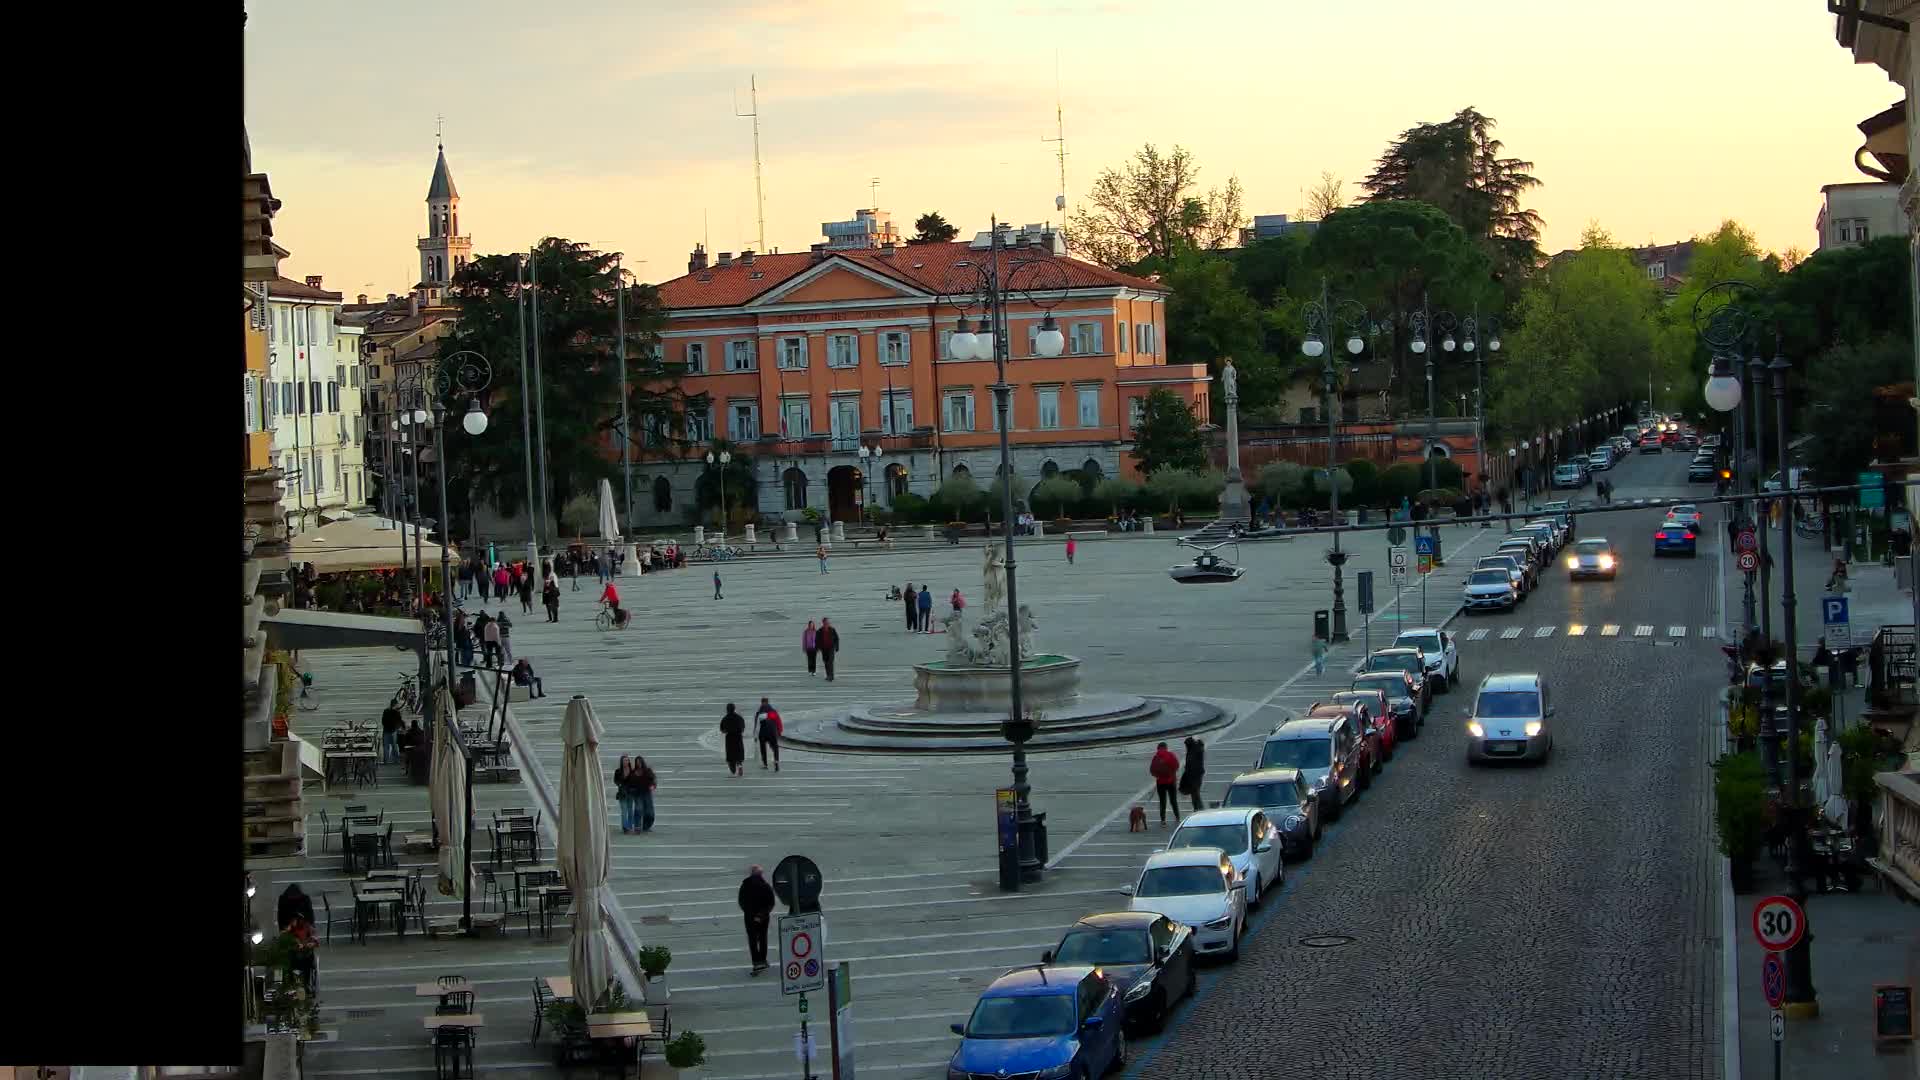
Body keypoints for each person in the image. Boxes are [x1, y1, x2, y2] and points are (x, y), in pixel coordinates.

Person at [738, 865, 777, 975]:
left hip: (749, 917)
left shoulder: (745, 885)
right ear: (761, 874)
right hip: (763, 917)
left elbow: (741, 901)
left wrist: (748, 912)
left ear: (751, 873)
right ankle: (762, 960)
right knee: (763, 938)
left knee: (752, 940)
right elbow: (771, 903)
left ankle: (756, 963)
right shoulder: (765, 886)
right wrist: (761, 915)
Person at [1149, 742, 1181, 827]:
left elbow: (1152, 770)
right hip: (1171, 781)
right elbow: (1177, 765)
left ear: (1158, 748)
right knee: (1173, 800)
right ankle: (1177, 817)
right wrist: (1172, 773)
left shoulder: (1156, 757)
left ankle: (1163, 820)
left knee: (1162, 801)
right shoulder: (1171, 755)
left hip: (1160, 782)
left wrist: (1157, 775)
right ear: (1166, 747)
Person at [1179, 736, 1206, 812]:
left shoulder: (1194, 751)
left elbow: (1191, 763)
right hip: (1195, 774)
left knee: (1195, 792)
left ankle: (1199, 808)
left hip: (1194, 775)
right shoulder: (1194, 749)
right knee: (1194, 792)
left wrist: (1188, 771)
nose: (1186, 747)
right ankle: (1197, 808)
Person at [630, 754, 657, 832]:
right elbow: (630, 783)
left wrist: (653, 786)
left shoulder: (648, 771)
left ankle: (646, 826)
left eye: (640, 762)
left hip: (647, 793)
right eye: (637, 762)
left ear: (642, 762)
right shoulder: (633, 772)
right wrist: (632, 790)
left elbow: (653, 780)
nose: (638, 763)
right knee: (638, 809)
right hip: (638, 794)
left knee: (649, 812)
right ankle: (637, 826)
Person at [755, 697, 782, 771]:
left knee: (763, 748)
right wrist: (779, 731)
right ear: (768, 702)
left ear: (761, 703)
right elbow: (778, 722)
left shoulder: (759, 712)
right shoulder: (773, 711)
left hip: (763, 732)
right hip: (772, 731)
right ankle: (776, 761)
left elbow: (757, 725)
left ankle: (765, 764)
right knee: (775, 747)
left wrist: (755, 736)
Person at [720, 704, 747, 776]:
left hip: (729, 738)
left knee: (730, 755)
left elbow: (722, 730)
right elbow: (743, 728)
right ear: (734, 709)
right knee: (739, 753)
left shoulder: (725, 718)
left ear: (727, 709)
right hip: (738, 737)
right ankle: (739, 765)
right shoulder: (739, 718)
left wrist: (727, 730)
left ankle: (733, 770)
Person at [614, 755, 638, 833]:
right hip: (622, 793)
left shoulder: (632, 771)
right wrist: (619, 784)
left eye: (627, 760)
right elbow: (615, 780)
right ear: (621, 762)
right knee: (624, 811)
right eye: (624, 760)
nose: (626, 762)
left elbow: (635, 781)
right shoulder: (618, 771)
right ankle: (625, 827)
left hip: (630, 793)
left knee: (630, 811)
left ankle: (630, 826)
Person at [380, 698, 405, 764]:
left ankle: (386, 760)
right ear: (395, 704)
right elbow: (400, 721)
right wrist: (403, 728)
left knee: (386, 747)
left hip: (386, 731)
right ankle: (396, 760)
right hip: (393, 731)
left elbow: (383, 721)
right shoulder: (397, 712)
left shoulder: (386, 711)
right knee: (394, 746)